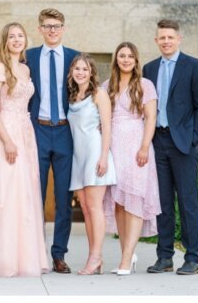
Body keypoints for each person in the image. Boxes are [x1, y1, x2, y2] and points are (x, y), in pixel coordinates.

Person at [0, 22, 49, 277]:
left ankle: (25, 258)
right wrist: (6, 140)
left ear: (25, 40)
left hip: (26, 134)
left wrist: (20, 138)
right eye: (11, 36)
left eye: (20, 36)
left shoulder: (26, 69)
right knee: (5, 194)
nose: (16, 40)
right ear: (4, 41)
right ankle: (2, 259)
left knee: (25, 195)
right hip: (5, 134)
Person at [143, 19, 198, 276]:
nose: (166, 41)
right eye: (162, 38)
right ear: (156, 40)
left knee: (188, 202)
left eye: (170, 37)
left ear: (178, 39)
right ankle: (165, 257)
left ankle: (193, 258)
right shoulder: (149, 69)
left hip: (183, 144)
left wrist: (193, 138)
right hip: (156, 143)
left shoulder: (194, 66)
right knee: (162, 203)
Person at [24, 8, 79, 273]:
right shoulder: (29, 56)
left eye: (57, 25)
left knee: (63, 196)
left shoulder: (74, 57)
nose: (52, 30)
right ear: (40, 29)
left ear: (64, 28)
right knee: (35, 194)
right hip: (38, 130)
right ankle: (35, 253)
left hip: (66, 132)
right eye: (47, 26)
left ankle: (59, 254)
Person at [102, 42, 160, 276]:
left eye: (130, 56)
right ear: (116, 59)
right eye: (121, 56)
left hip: (136, 146)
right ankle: (127, 251)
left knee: (134, 199)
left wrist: (145, 146)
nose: (125, 59)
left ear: (136, 61)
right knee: (118, 202)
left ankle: (126, 259)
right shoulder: (107, 86)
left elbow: (151, 117)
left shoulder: (145, 85)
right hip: (113, 147)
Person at [65, 53, 116, 275]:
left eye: (85, 69)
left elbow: (107, 127)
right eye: (77, 69)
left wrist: (104, 156)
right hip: (78, 155)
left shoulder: (99, 95)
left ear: (91, 72)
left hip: (95, 153)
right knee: (85, 208)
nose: (80, 73)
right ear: (71, 72)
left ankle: (95, 257)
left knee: (95, 207)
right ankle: (94, 257)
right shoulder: (72, 96)